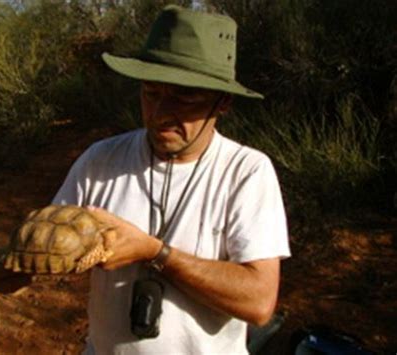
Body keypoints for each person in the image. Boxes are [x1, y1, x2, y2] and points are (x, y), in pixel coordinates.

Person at [53, 5, 290, 355]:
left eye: (185, 97)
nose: (162, 112)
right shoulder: (100, 160)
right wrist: (17, 261)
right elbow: (38, 250)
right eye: (151, 92)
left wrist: (156, 252)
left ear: (222, 102)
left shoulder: (246, 172)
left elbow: (258, 302)